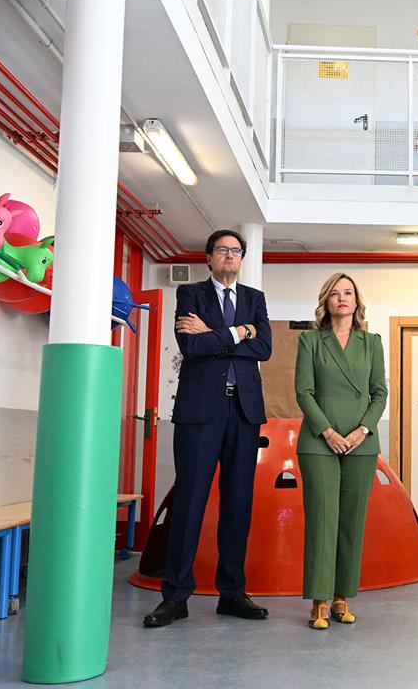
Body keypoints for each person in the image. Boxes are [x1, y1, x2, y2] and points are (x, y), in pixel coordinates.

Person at [144, 229, 273, 628]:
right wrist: (240, 332)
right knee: (190, 502)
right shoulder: (191, 295)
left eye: (236, 251)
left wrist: (218, 334)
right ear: (209, 257)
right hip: (200, 413)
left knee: (238, 505)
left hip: (244, 412)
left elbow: (264, 348)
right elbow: (192, 347)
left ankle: (231, 593)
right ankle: (176, 596)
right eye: (223, 250)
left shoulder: (255, 299)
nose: (230, 256)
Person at [293, 272, 387, 629]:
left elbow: (380, 392)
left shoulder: (372, 342)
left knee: (351, 521)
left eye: (348, 293)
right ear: (326, 301)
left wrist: (363, 429)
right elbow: (303, 392)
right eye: (335, 293)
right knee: (322, 519)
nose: (342, 298)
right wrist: (329, 432)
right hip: (319, 443)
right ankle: (318, 600)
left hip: (361, 443)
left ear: (357, 301)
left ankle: (340, 597)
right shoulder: (310, 341)